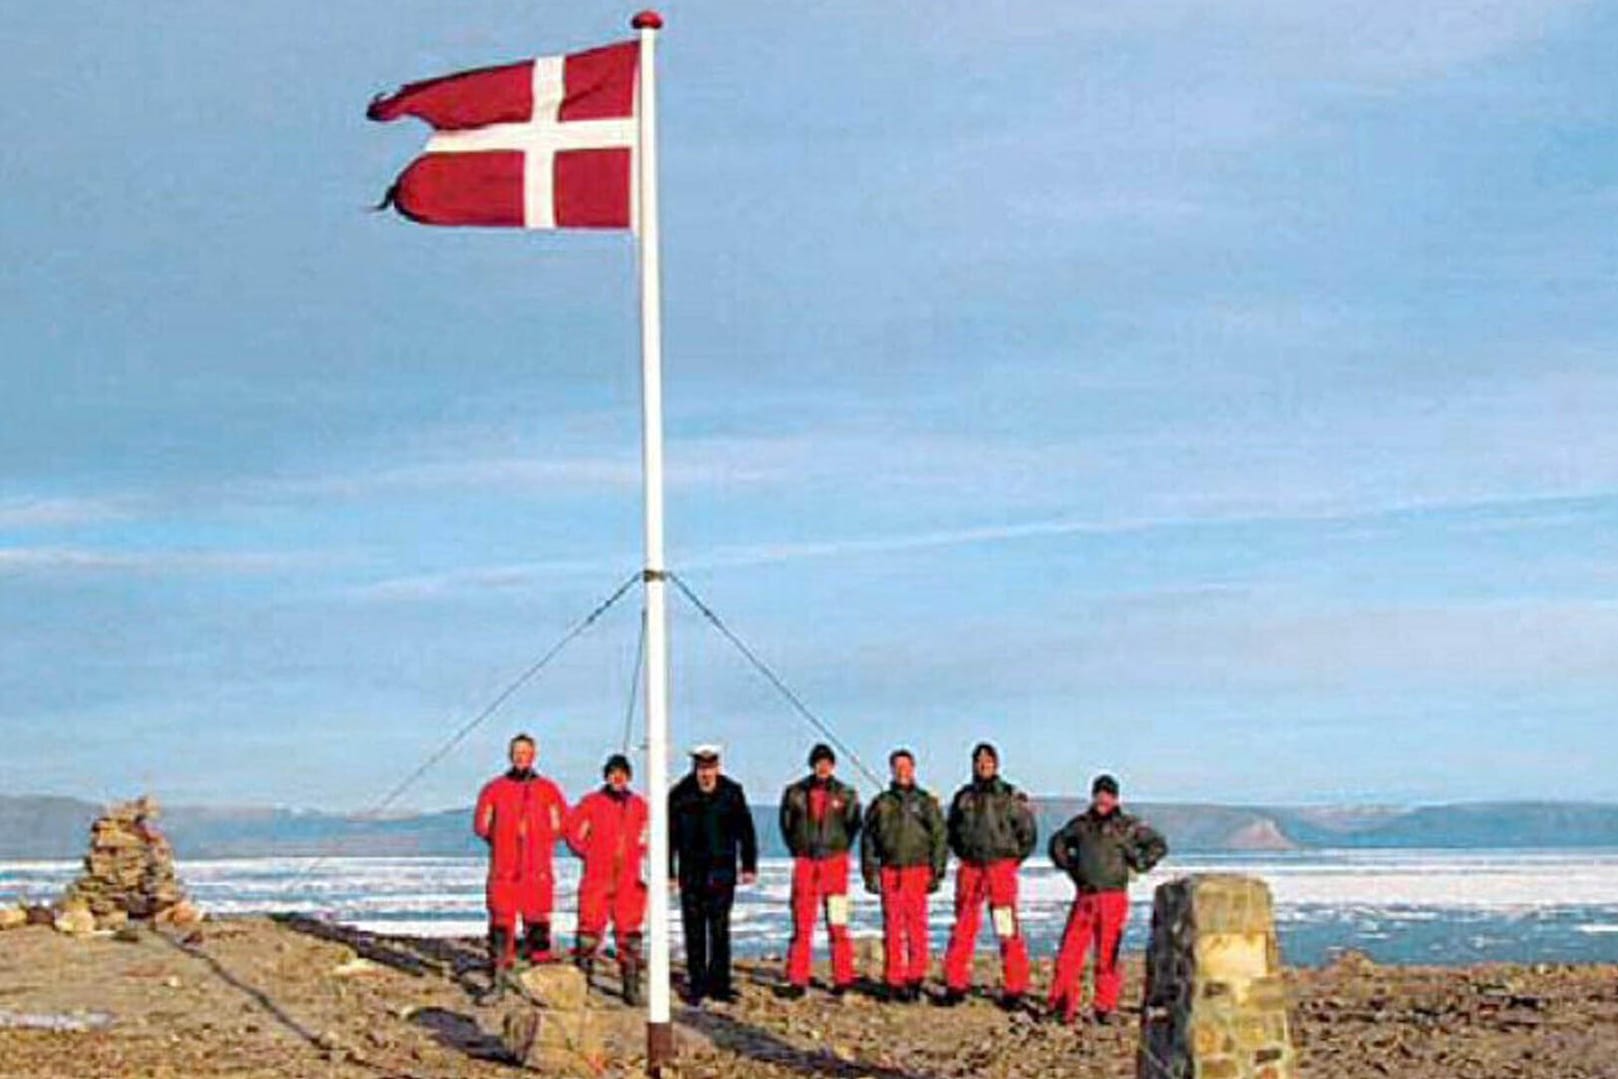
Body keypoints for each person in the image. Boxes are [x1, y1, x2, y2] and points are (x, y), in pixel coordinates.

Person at [1046, 773, 1167, 1024]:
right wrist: (1070, 866)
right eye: (1099, 794)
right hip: (1085, 896)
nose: (1103, 799)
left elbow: (1158, 845)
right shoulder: (1081, 825)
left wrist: (1140, 864)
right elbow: (1057, 842)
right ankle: (1061, 1004)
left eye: (1108, 795)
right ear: (1093, 796)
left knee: (1108, 954)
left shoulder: (1127, 826)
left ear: (1115, 798)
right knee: (1070, 952)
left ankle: (1105, 1006)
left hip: (1113, 897)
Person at [939, 742, 1037, 1008]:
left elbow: (1028, 832)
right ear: (973, 764)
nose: (984, 765)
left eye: (988, 761)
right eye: (979, 761)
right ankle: (955, 984)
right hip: (970, 867)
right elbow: (951, 831)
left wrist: (1012, 859)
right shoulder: (963, 797)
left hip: (999, 867)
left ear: (996, 764)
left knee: (1006, 926)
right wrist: (961, 853)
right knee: (963, 926)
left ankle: (1015, 988)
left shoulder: (1009, 796)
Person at [473, 732, 569, 1002]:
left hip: (536, 871)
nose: (521, 757)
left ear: (534, 755)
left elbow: (562, 824)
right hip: (504, 870)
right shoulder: (494, 789)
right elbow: (482, 825)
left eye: (525, 752)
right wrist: (504, 838)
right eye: (516, 752)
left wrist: (539, 839)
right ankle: (498, 982)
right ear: (510, 754)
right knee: (501, 925)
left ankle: (541, 985)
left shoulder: (548, 789)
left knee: (538, 924)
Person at [668, 744, 758, 1005]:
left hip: (722, 872)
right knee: (694, 929)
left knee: (720, 929)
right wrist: (669, 872)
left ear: (717, 767)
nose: (705, 774)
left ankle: (720, 983)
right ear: (695, 768)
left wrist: (749, 865)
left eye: (710, 768)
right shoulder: (680, 794)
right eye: (701, 768)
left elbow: (746, 831)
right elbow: (669, 836)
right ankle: (697, 984)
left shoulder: (732, 792)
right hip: (691, 872)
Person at [859, 748, 947, 1002]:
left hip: (918, 870)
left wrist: (937, 870)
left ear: (914, 768)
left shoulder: (926, 802)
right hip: (890, 870)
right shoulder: (881, 803)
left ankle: (915, 978)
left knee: (917, 927)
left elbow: (940, 837)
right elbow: (868, 839)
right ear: (891, 770)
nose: (902, 771)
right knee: (892, 927)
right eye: (897, 767)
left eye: (906, 767)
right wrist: (869, 871)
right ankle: (894, 979)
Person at [778, 742, 862, 998]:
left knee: (837, 922)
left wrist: (839, 848)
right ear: (812, 764)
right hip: (805, 863)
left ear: (833, 765)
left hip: (835, 864)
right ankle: (797, 978)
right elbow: (786, 824)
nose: (822, 767)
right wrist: (799, 848)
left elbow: (853, 824)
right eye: (818, 762)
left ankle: (843, 978)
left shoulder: (846, 794)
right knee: (802, 923)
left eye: (826, 763)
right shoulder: (794, 793)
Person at [564, 752, 649, 1004]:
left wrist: (635, 853)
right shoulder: (591, 802)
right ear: (606, 776)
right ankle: (582, 984)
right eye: (613, 773)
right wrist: (589, 852)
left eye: (622, 773)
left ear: (629, 777)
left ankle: (630, 987)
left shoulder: (639, 805)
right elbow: (572, 831)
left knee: (629, 932)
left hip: (628, 877)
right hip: (597, 875)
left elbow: (646, 834)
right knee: (589, 929)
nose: (617, 778)